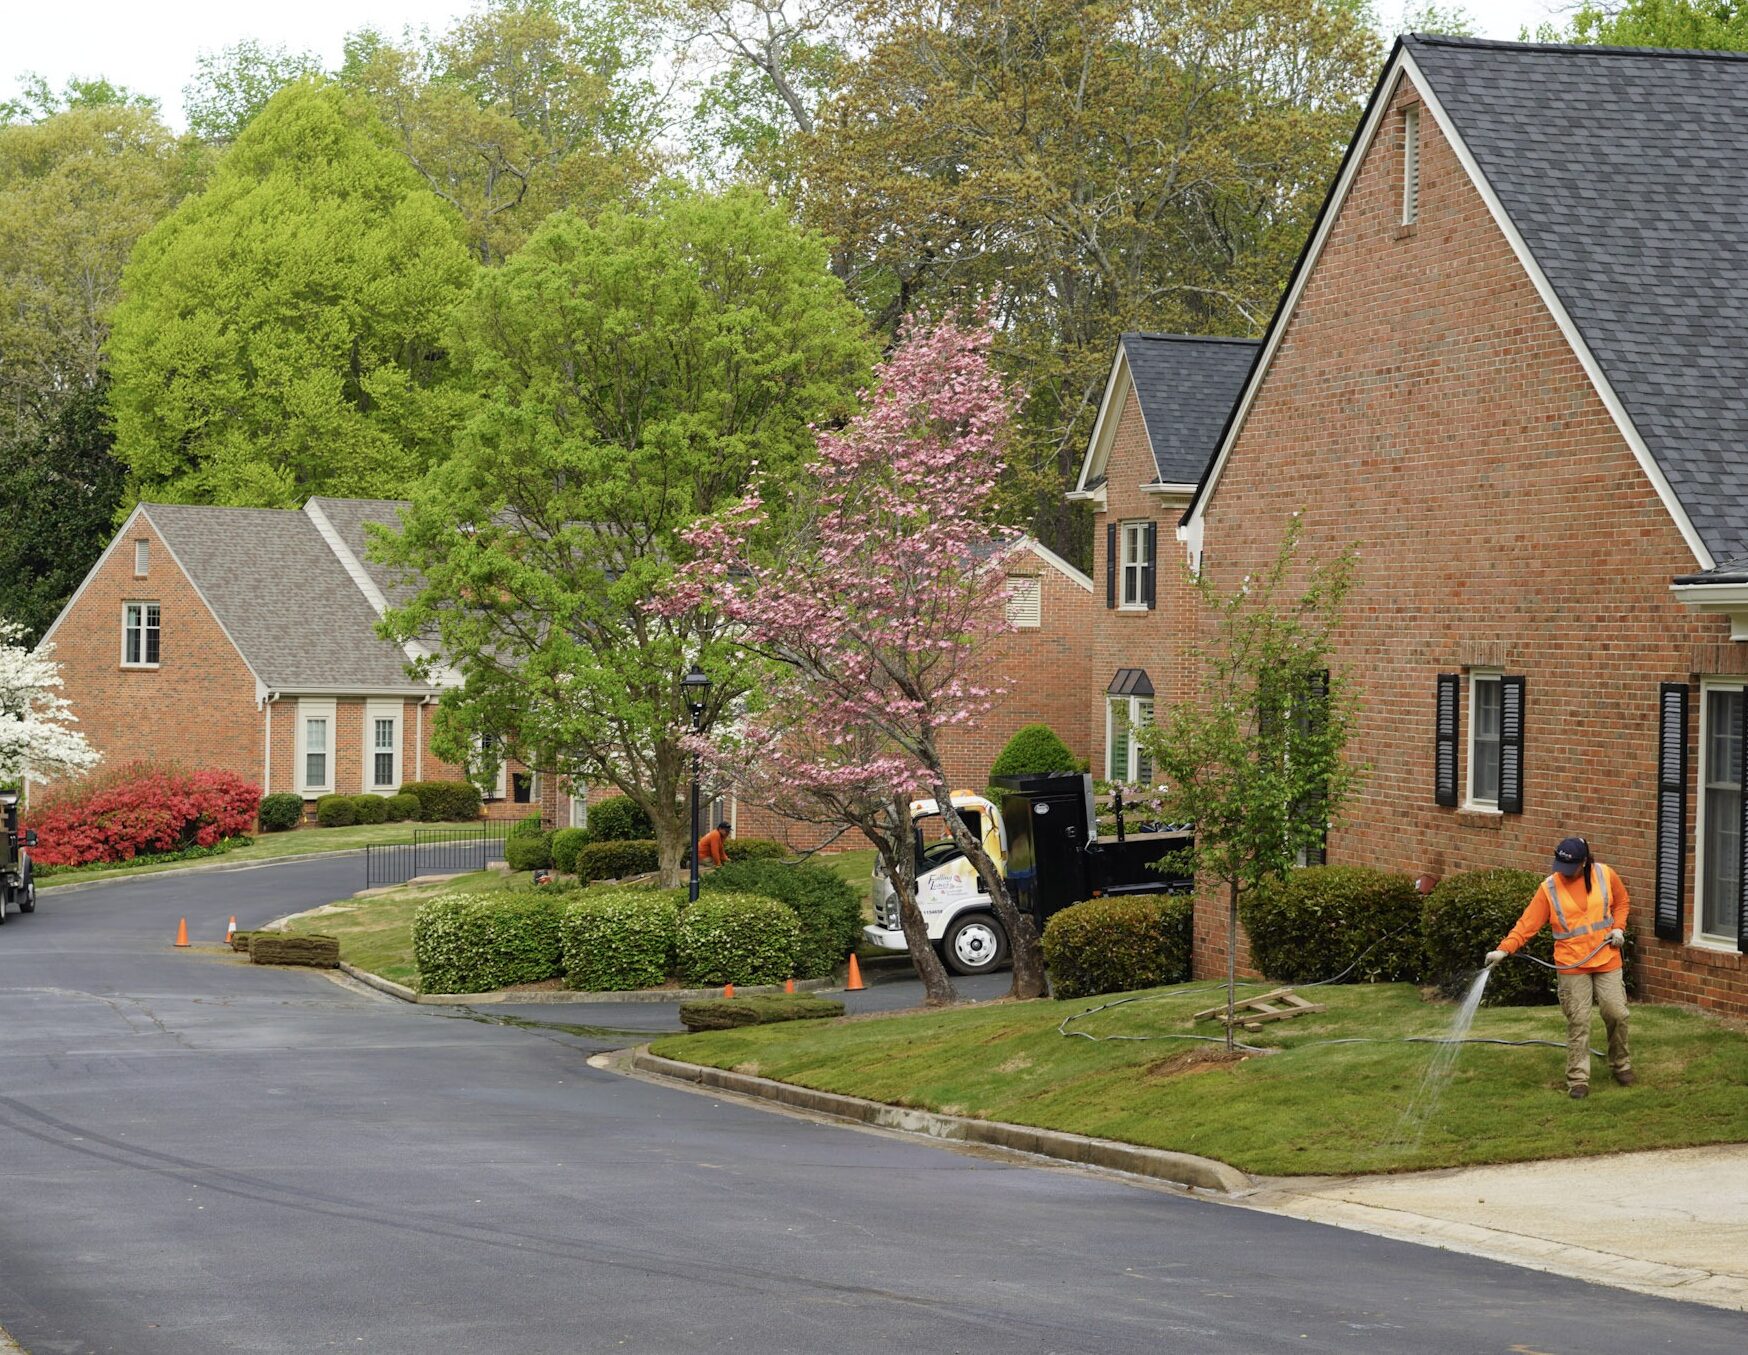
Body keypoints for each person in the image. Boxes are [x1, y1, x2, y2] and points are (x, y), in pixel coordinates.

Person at [1485, 836, 1631, 1100]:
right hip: (1572, 964)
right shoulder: (1549, 888)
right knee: (1578, 1021)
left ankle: (1621, 1064)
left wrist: (1619, 927)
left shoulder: (1605, 874)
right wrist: (1504, 949)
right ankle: (1578, 1079)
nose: (1561, 873)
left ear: (1584, 862)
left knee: (1616, 1013)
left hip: (1606, 957)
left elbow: (1621, 903)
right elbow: (1527, 924)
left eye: (1569, 867)